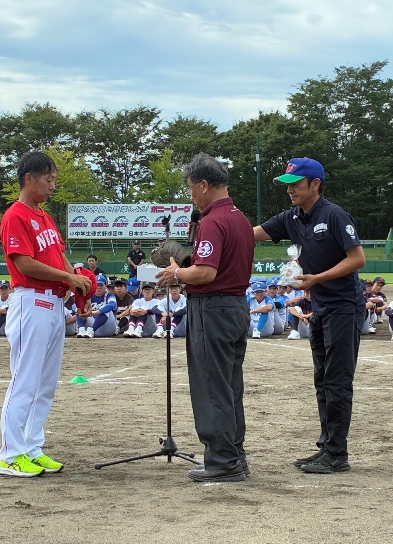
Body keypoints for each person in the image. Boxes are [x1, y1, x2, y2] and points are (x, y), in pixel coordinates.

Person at [254, 157, 366, 474]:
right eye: (287, 185)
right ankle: (327, 447)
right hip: (319, 307)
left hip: (343, 307)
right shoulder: (292, 217)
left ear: (315, 184)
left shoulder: (334, 215)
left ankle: (337, 453)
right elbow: (252, 234)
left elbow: (357, 259)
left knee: (337, 381)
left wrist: (317, 279)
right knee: (322, 380)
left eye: (295, 184)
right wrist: (221, 229)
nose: (290, 190)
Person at [156, 153, 254, 483]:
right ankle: (235, 455)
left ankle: (222, 460)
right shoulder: (240, 218)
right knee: (229, 386)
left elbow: (206, 272)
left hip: (212, 308)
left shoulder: (213, 220)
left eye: (190, 188)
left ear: (203, 185)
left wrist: (176, 272)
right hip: (235, 306)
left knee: (211, 385)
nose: (191, 196)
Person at [0, 150, 92, 478]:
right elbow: (23, 263)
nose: (52, 185)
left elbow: (59, 256)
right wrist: (68, 277)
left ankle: (31, 447)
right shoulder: (16, 215)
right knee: (25, 381)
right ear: (29, 179)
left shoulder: (45, 217)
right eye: (48, 179)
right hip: (30, 302)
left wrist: (77, 284)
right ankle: (10, 455)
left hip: (53, 305)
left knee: (45, 384)